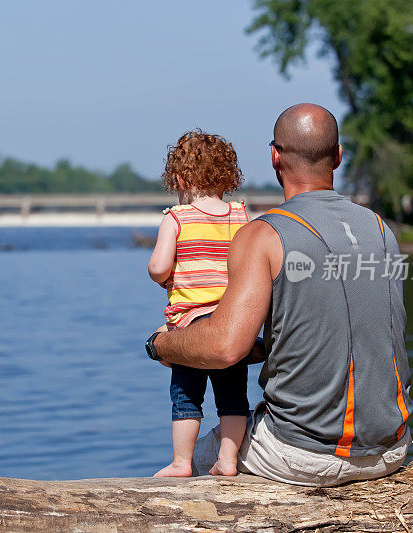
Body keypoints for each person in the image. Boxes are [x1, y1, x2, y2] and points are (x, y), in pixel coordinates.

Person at [144, 103, 413, 486]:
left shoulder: (264, 234)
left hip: (303, 455)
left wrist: (161, 345)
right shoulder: (381, 230)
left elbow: (224, 349)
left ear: (274, 156)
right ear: (338, 156)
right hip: (391, 449)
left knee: (197, 461)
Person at [147, 130, 251, 477]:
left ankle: (182, 462)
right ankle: (228, 460)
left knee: (186, 397)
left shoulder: (176, 218)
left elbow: (158, 267)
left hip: (189, 325)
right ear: (227, 176)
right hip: (231, 324)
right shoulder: (239, 216)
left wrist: (166, 277)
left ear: (179, 177)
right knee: (233, 398)